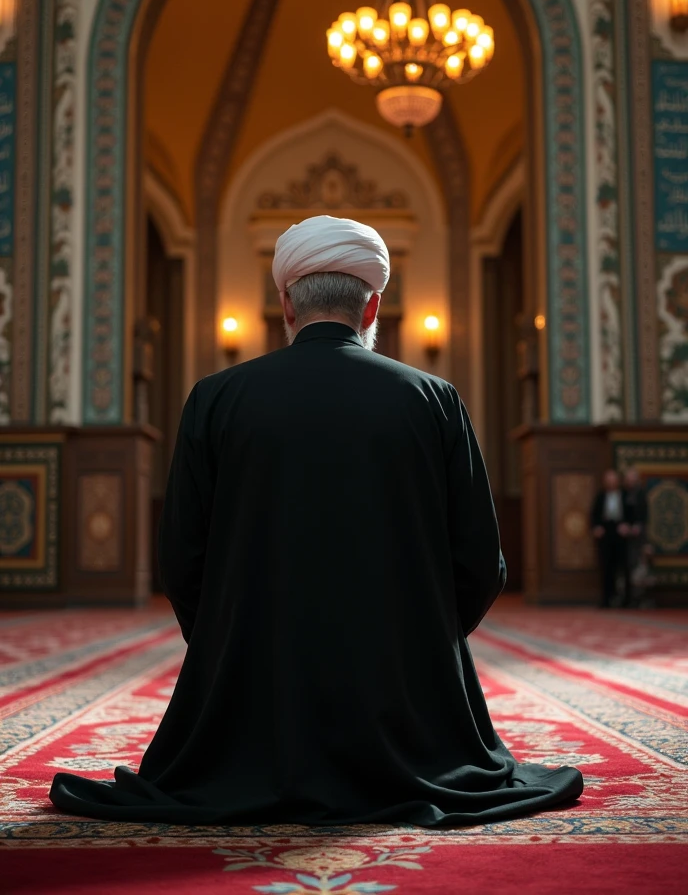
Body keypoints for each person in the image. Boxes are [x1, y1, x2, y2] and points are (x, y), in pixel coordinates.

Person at [50, 214, 583, 826]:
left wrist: (235, 643)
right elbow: (480, 562)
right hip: (407, 717)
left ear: (285, 303)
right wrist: (420, 644)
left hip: (251, 707)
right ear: (374, 305)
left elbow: (180, 558)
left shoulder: (216, 398)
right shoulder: (435, 400)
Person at [591, 469, 629, 607]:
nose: (611, 482)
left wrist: (627, 526)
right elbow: (594, 515)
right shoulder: (601, 496)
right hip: (606, 534)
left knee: (624, 568)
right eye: (608, 479)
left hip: (621, 535)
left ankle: (626, 600)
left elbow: (632, 514)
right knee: (606, 568)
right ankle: (607, 599)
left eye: (613, 479)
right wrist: (596, 527)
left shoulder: (625, 496)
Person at [623, 467, 649, 606]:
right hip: (624, 537)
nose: (630, 481)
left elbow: (644, 515)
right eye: (628, 478)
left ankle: (639, 599)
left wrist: (638, 526)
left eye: (633, 478)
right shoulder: (623, 493)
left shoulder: (641, 494)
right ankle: (627, 598)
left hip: (639, 538)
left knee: (640, 568)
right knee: (626, 567)